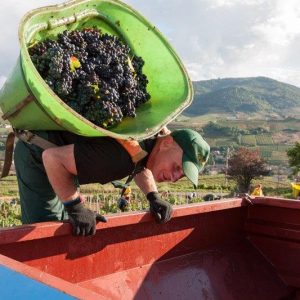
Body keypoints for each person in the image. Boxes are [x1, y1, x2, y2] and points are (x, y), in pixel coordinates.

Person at [14, 128, 210, 236]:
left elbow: (140, 162)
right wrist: (75, 206)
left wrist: (153, 196)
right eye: (177, 167)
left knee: (69, 222)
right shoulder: (116, 159)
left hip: (66, 157)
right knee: (47, 230)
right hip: (38, 157)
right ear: (167, 143)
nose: (175, 178)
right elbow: (52, 158)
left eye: (181, 175)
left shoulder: (149, 139)